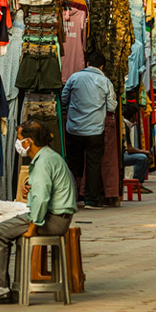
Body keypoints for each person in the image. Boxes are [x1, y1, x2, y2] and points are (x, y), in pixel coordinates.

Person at [0, 120, 77, 304]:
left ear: (28, 142)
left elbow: (42, 198)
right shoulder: (49, 157)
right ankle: (1, 286)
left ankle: (0, 289)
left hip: (52, 219)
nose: (18, 143)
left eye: (20, 139)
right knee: (3, 227)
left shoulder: (43, 162)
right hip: (57, 216)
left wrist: (33, 226)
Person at [62, 51, 117, 209]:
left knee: (72, 163)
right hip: (94, 131)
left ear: (87, 64)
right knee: (93, 165)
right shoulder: (105, 81)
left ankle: (70, 197)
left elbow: (64, 98)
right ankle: (91, 200)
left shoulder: (74, 77)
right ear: (102, 66)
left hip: (73, 129)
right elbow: (112, 106)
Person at [122, 104, 154, 194]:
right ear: (133, 116)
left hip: (122, 154)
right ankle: (136, 184)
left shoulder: (125, 124)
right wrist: (146, 151)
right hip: (121, 155)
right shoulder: (125, 126)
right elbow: (129, 149)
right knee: (142, 158)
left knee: (144, 157)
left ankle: (138, 183)